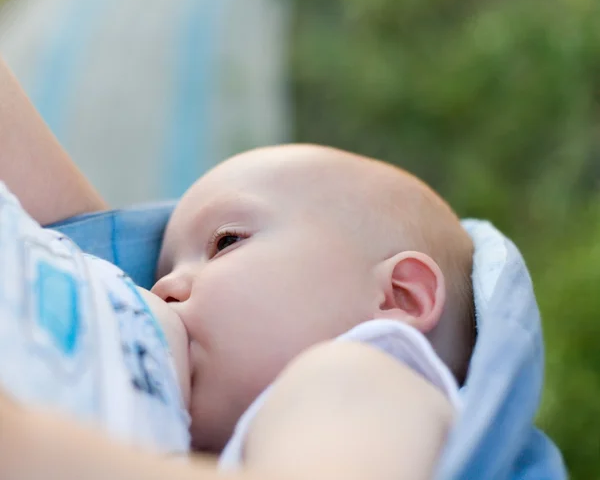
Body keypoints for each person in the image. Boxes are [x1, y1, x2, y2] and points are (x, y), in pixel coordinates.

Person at [0, 55, 460, 479]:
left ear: (399, 296)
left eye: (225, 242)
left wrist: (24, 445)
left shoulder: (359, 374)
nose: (160, 286)